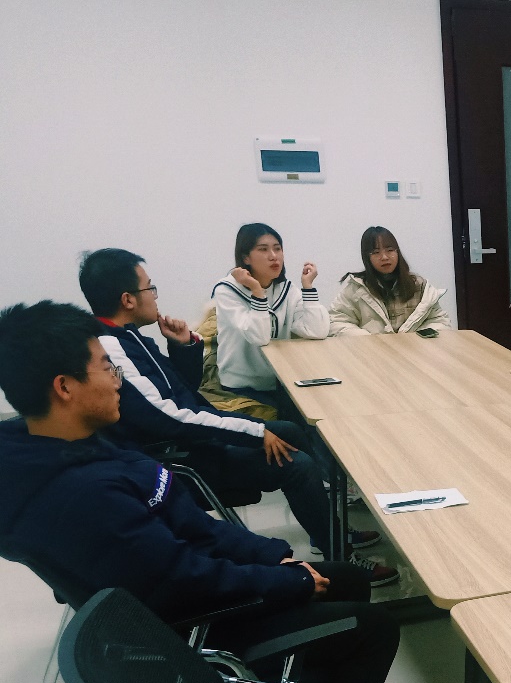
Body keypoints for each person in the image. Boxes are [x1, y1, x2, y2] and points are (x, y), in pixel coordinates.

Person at [0, 301, 406, 683]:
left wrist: (273, 558)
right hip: (198, 638)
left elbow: (194, 529)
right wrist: (289, 582)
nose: (118, 381)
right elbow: (183, 580)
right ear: (65, 387)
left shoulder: (77, 444)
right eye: (106, 368)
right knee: (376, 627)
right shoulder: (84, 495)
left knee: (347, 580)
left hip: (196, 596)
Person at [77, 248, 396, 585]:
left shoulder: (129, 338)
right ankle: (343, 558)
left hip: (192, 443)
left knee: (290, 430)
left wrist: (183, 346)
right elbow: (169, 418)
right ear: (128, 299)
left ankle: (330, 534)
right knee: (297, 465)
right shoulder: (113, 348)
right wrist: (254, 431)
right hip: (179, 461)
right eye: (149, 288)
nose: (155, 296)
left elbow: (183, 392)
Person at [212, 223, 330, 414]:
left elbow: (317, 331)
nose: (274, 256)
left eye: (277, 248)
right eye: (263, 249)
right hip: (242, 386)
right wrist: (257, 291)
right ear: (246, 258)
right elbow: (259, 337)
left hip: (281, 381)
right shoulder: (226, 291)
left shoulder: (286, 289)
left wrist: (308, 288)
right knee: (296, 424)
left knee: (323, 411)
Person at [329, 226, 450, 336]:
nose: (384, 257)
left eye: (390, 250)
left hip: (414, 350)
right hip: (374, 350)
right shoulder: (356, 289)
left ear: (397, 252)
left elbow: (440, 321)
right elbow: (337, 322)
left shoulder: (418, 285)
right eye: (376, 252)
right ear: (367, 257)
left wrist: (416, 339)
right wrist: (367, 339)